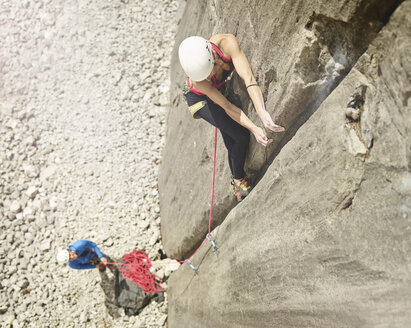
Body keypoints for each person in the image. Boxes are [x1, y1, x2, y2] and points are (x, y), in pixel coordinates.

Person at [178, 34, 285, 201]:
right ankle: (238, 179)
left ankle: (237, 177)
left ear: (212, 58)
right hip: (199, 98)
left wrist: (262, 112)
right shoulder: (200, 81)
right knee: (240, 135)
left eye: (208, 73)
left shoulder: (227, 44)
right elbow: (227, 107)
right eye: (203, 77)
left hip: (217, 92)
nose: (207, 78)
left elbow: (248, 79)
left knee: (233, 135)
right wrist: (254, 128)